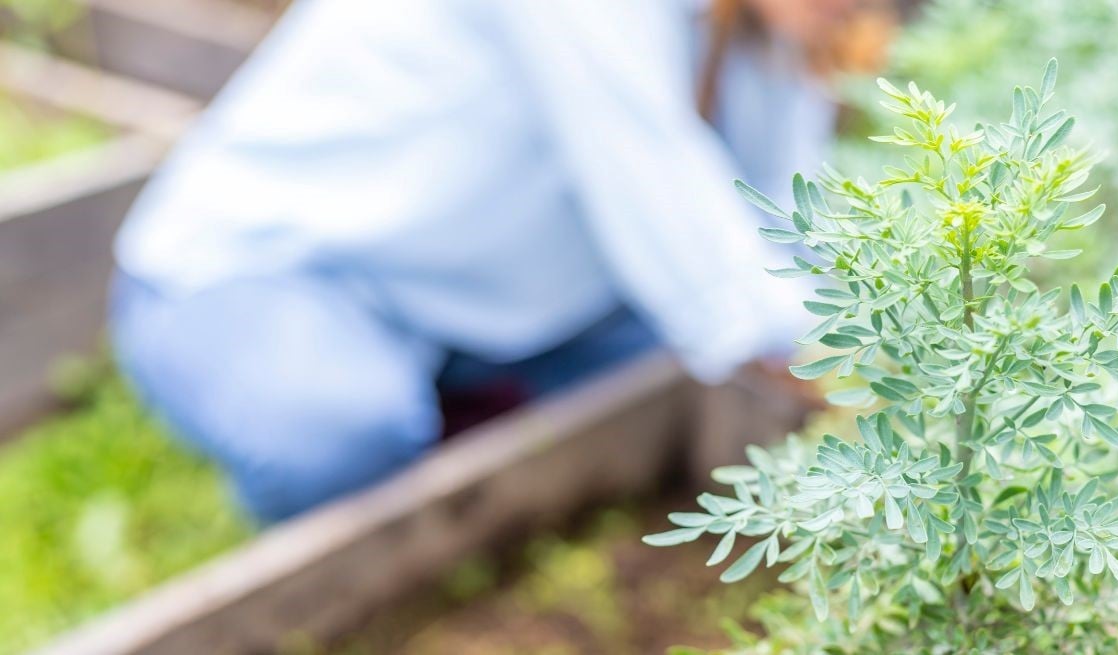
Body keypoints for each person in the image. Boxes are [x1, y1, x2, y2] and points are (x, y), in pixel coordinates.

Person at [111, 0, 876, 523]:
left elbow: (782, 214)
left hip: (472, 299)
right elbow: (657, 188)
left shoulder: (775, 28)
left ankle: (448, 417)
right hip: (275, 268)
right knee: (346, 438)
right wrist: (869, 377)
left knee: (659, 368)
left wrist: (900, 321)